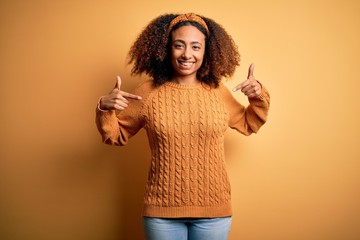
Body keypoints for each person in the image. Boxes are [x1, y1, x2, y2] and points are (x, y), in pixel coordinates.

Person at [96, 13, 270, 240]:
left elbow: (249, 124)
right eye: (179, 45)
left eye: (196, 47)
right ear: (166, 49)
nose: (187, 54)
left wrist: (258, 96)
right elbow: (115, 136)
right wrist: (105, 108)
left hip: (214, 211)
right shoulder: (147, 92)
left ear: (207, 52)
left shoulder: (218, 91)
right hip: (161, 213)